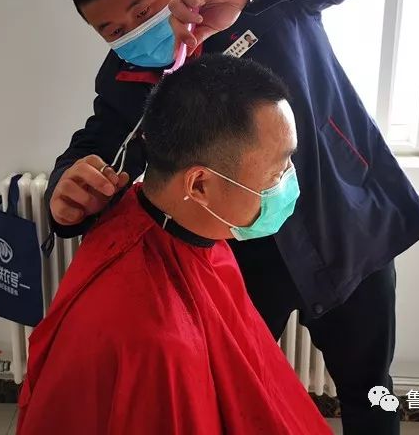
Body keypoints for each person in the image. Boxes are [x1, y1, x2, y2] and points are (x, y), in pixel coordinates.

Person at [48, 0, 419, 435]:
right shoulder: (126, 78)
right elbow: (99, 144)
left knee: (371, 391)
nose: (136, 32)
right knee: (240, 392)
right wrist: (66, 190)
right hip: (241, 262)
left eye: (143, 10)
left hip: (343, 222)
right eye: (115, 31)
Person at [18, 55, 331, 435]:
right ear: (199, 185)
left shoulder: (179, 222)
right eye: (277, 171)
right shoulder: (155, 344)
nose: (289, 181)